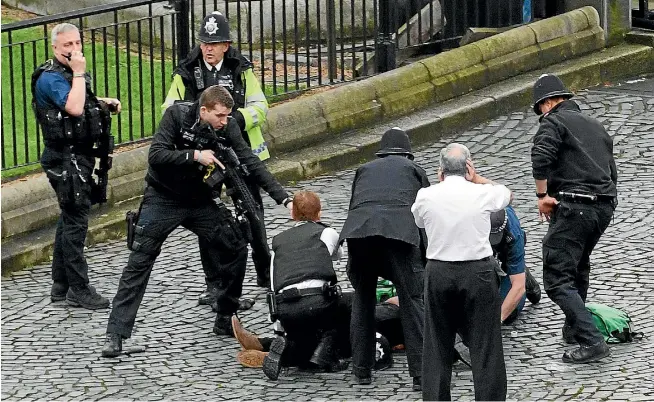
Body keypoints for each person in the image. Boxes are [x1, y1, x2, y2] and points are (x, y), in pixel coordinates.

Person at [101, 86, 290, 357]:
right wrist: (194, 155)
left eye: (228, 116)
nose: (226, 121)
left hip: (201, 200)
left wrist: (284, 198)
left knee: (236, 245)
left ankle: (225, 314)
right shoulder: (176, 117)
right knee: (139, 261)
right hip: (163, 198)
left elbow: (251, 162)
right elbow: (156, 155)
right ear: (204, 110)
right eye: (221, 116)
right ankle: (115, 335)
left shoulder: (228, 126)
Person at [163, 12, 273, 302]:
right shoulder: (187, 70)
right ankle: (214, 283)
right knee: (207, 219)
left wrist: (235, 119)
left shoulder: (240, 68)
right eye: (204, 43)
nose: (208, 49)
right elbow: (170, 107)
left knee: (253, 212)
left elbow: (261, 106)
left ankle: (265, 271)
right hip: (204, 156)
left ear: (226, 45)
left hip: (238, 152)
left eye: (214, 43)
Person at [412, 143, 511, 401]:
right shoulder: (482, 194)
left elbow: (419, 221)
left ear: (440, 171)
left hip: (439, 271)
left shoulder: (425, 196)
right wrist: (476, 179)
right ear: (468, 166)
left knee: (436, 344)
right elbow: (506, 194)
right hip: (477, 270)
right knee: (485, 344)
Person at [32, 23, 121, 310]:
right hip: (65, 159)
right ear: (55, 48)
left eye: (77, 43)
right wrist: (80, 72)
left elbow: (82, 101)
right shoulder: (51, 78)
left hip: (77, 156)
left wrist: (103, 102)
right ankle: (78, 289)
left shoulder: (70, 73)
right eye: (67, 45)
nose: (74, 50)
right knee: (76, 222)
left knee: (69, 217)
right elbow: (73, 108)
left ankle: (60, 285)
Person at [531, 73, 617, 364]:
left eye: (540, 107)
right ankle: (574, 327)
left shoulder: (553, 122)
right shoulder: (596, 125)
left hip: (574, 205)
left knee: (557, 277)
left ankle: (591, 341)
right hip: (603, 206)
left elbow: (541, 157)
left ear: (548, 103)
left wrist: (543, 196)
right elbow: (612, 173)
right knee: (578, 265)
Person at [340, 127, 429, 390]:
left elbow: (354, 207)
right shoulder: (415, 170)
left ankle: (361, 370)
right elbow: (426, 215)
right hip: (400, 235)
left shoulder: (364, 170)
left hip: (361, 233)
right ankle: (421, 374)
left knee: (363, 298)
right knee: (412, 301)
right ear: (407, 153)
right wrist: (424, 259)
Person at [252, 190, 350, 380]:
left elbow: (273, 283)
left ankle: (287, 346)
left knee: (303, 335)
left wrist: (278, 328)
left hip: (286, 309)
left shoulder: (278, 241)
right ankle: (327, 355)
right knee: (349, 304)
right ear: (319, 213)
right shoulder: (326, 232)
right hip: (318, 302)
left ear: (292, 214)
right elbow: (339, 255)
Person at [231, 294, 402, 370]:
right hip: (374, 316)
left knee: (328, 335)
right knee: (323, 328)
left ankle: (274, 354)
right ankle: (261, 344)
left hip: (376, 324)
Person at [490, 206, 542, 324]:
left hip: (508, 251)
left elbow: (517, 287)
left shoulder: (514, 233)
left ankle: (524, 275)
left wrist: (497, 321)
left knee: (509, 313)